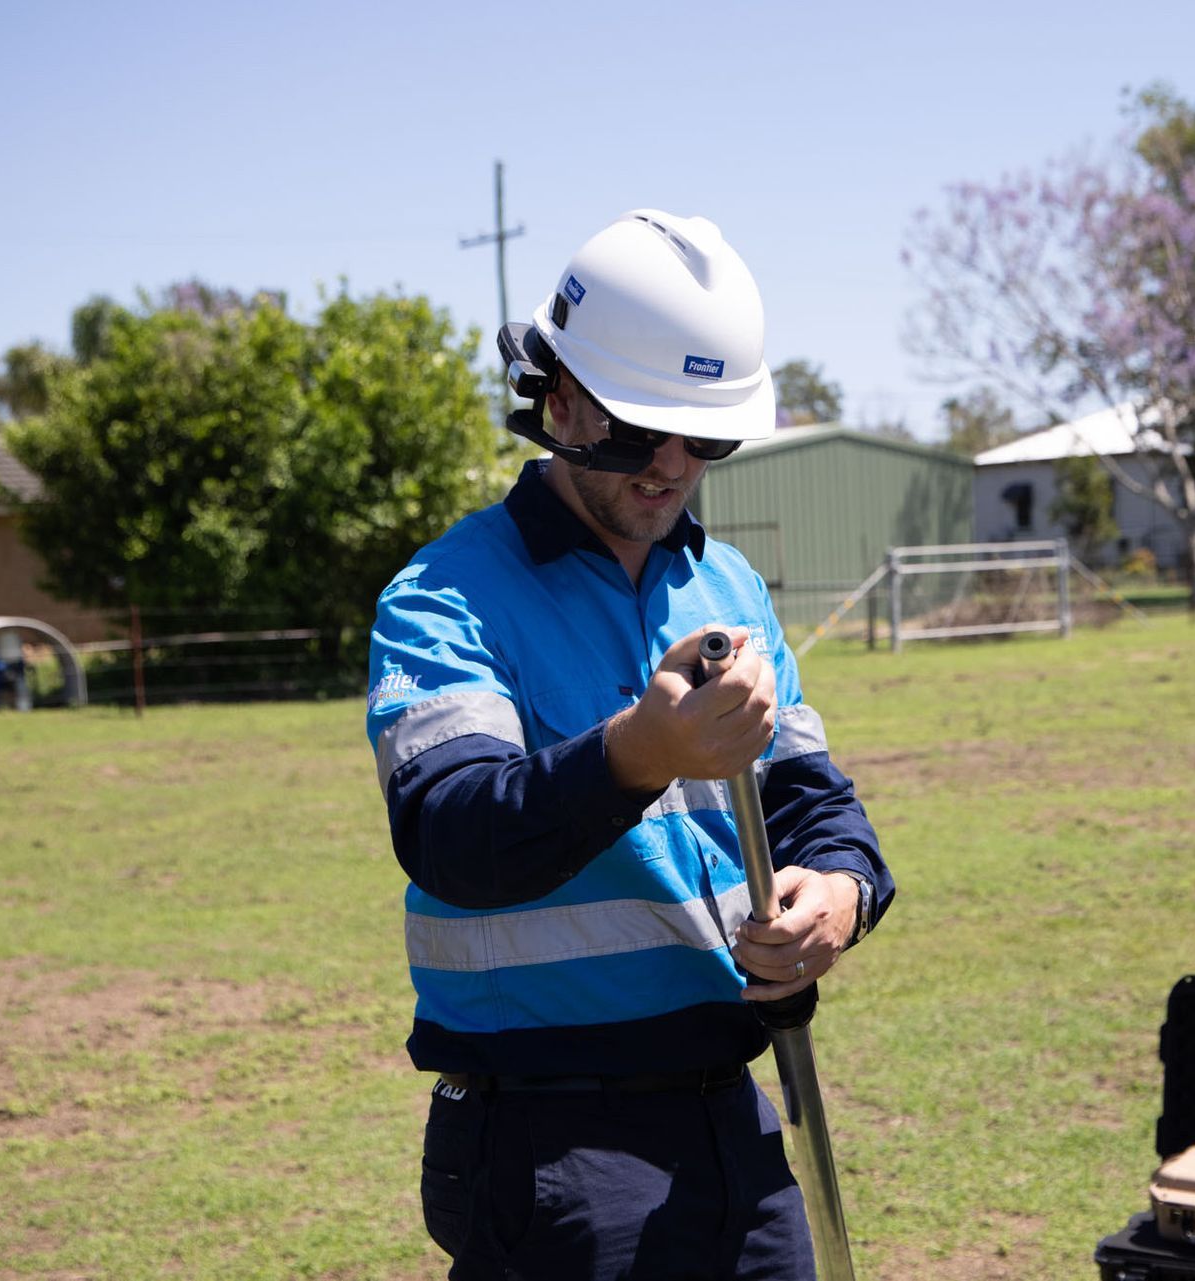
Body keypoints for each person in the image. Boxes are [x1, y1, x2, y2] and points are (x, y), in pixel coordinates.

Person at [366, 208, 894, 1281]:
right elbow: (453, 836)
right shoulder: (443, 598)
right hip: (548, 1143)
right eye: (633, 431)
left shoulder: (730, 586)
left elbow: (813, 804)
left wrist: (839, 894)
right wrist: (639, 752)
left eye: (703, 438)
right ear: (555, 399)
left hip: (731, 1116)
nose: (668, 468)